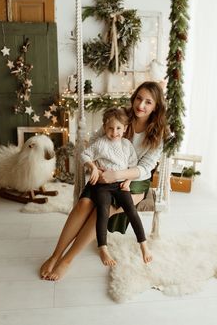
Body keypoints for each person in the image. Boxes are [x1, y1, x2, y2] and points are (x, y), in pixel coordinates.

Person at [40, 81, 169, 281]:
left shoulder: (157, 133)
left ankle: (67, 260)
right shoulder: (120, 117)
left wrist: (119, 176)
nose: (141, 105)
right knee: (84, 203)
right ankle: (55, 255)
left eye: (148, 102)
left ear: (156, 107)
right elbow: (95, 144)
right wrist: (96, 166)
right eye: (138, 98)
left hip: (135, 180)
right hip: (104, 172)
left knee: (105, 209)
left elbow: (146, 167)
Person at [81, 107, 149, 266]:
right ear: (104, 127)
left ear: (125, 128)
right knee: (103, 210)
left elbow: (132, 165)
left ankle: (143, 244)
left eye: (118, 128)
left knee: (131, 209)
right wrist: (93, 167)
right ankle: (102, 247)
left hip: (120, 185)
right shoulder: (100, 143)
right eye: (110, 128)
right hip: (103, 185)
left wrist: (129, 180)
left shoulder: (126, 145)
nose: (114, 132)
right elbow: (84, 154)